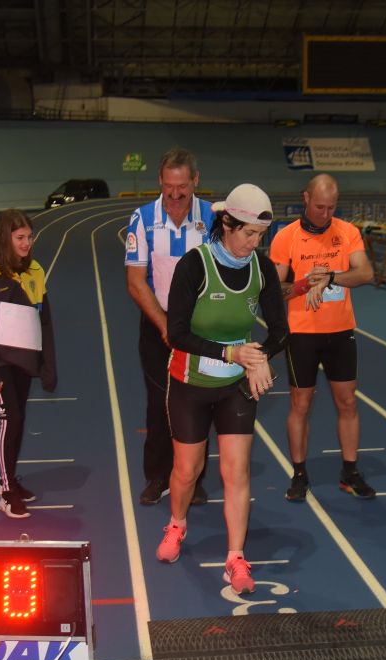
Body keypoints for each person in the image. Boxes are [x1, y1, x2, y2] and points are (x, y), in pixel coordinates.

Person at [155, 185, 288, 594]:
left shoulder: (262, 269)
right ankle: (177, 524)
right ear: (226, 224)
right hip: (190, 384)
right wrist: (230, 353)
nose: (254, 243)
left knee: (236, 471)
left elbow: (280, 331)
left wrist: (260, 356)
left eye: (260, 236)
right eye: (248, 233)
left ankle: (235, 557)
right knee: (187, 471)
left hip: (234, 388)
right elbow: (175, 333)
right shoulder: (194, 265)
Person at [269, 173, 375, 502]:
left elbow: (366, 273)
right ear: (305, 198)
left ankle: (350, 470)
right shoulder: (285, 238)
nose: (324, 214)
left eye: (330, 208)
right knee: (300, 404)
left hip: (341, 331)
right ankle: (299, 474)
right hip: (302, 333)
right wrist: (303, 285)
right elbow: (272, 292)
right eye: (318, 207)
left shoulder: (347, 233)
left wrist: (330, 277)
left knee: (347, 402)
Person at [125, 148, 212, 507]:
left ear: (195, 181)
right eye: (168, 188)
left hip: (202, 327)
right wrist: (164, 325)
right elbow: (135, 280)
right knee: (160, 402)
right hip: (158, 326)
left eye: (182, 188)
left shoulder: (214, 218)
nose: (175, 196)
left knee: (199, 401)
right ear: (160, 182)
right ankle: (158, 475)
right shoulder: (142, 219)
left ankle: (194, 477)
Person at [0, 209, 57, 519]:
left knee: (18, 422)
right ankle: (5, 491)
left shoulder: (36, 271)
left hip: (24, 363)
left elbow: (44, 321)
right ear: (5, 238)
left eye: (30, 238)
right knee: (11, 420)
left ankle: (12, 480)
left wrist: (48, 364)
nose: (26, 244)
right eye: (20, 238)